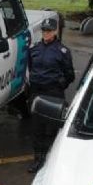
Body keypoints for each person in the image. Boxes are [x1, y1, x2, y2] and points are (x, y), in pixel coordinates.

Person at [27, 18, 75, 173]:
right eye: (44, 30)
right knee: (36, 127)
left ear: (55, 31)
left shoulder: (62, 51)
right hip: (36, 92)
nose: (46, 33)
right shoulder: (34, 49)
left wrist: (59, 84)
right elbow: (30, 67)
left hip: (53, 92)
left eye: (49, 31)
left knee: (52, 128)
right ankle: (38, 159)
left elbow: (70, 75)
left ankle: (51, 161)